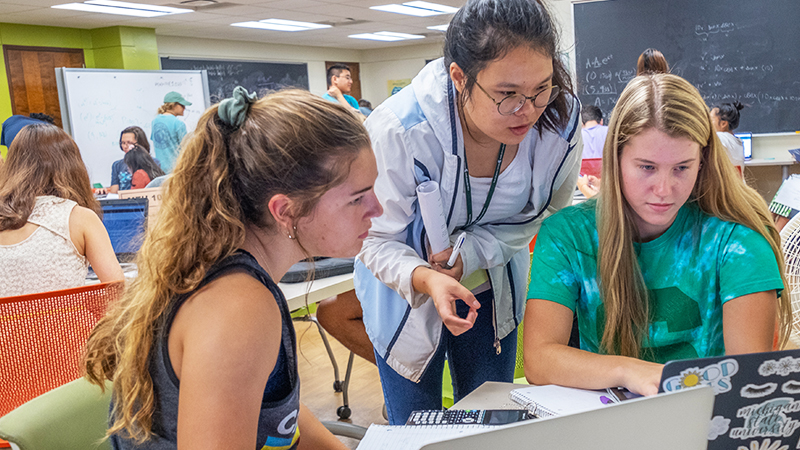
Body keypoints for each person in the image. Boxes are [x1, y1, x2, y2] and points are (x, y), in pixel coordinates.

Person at [83, 87, 381, 449]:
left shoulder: (228, 272)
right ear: (284, 211)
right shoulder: (238, 307)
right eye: (357, 198)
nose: (377, 209)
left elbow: (272, 412)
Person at [352, 0, 582, 425]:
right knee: (415, 424)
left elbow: (545, 211)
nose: (527, 110)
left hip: (495, 285)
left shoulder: (559, 125)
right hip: (406, 291)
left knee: (491, 417)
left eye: (541, 88)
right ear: (460, 77)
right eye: (506, 94)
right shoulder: (400, 131)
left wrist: (472, 254)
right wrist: (426, 278)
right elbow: (372, 238)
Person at [524, 73, 792, 398]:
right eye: (647, 167)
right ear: (616, 158)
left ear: (703, 161)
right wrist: (629, 370)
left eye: (682, 167)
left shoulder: (740, 241)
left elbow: (747, 389)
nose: (664, 190)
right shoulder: (567, 235)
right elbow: (538, 359)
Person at [0, 124, 123, 296]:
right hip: (68, 322)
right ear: (72, 166)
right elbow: (117, 294)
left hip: (8, 324)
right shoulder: (79, 218)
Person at [151, 91, 191, 173]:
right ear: (174, 105)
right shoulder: (179, 124)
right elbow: (186, 148)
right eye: (182, 105)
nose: (184, 108)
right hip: (177, 170)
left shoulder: (155, 121)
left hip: (160, 170)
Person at [108, 126, 152, 193]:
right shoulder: (117, 165)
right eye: (123, 143)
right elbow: (114, 191)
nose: (125, 146)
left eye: (129, 143)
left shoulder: (152, 163)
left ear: (140, 144)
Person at [710, 101, 746, 171]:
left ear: (723, 124)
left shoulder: (721, 138)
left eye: (711, 120)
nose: (708, 123)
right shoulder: (737, 141)